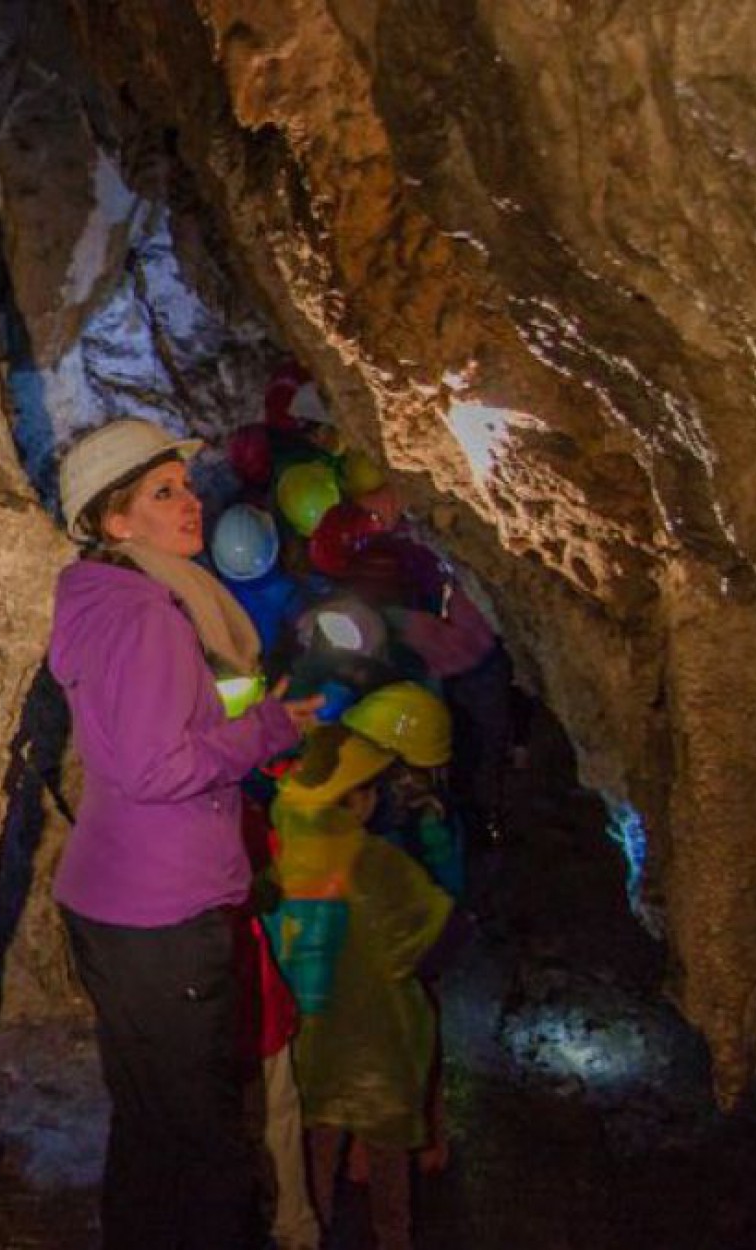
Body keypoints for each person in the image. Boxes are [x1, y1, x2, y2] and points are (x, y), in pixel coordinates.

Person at [49, 419, 323, 1249]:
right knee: (206, 1152)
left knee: (152, 1130)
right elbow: (157, 767)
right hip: (162, 913)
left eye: (185, 485)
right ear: (113, 521)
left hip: (117, 899)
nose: (189, 502)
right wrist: (270, 728)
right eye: (161, 492)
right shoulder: (147, 613)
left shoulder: (102, 596)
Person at [272, 726, 453, 1250]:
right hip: (379, 1048)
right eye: (370, 787)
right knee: (389, 1174)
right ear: (352, 800)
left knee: (316, 1157)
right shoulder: (376, 863)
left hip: (310, 1044)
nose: (376, 797)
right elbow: (437, 938)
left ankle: (312, 1235)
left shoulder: (282, 855)